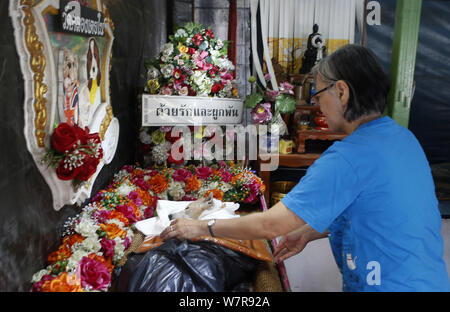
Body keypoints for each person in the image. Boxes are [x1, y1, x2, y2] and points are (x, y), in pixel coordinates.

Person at [160, 44, 450, 292]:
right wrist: (309, 232)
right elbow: (374, 212)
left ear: (342, 91)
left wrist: (201, 227)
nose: (317, 102)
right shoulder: (403, 139)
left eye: (318, 92)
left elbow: (271, 224)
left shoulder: (348, 156)